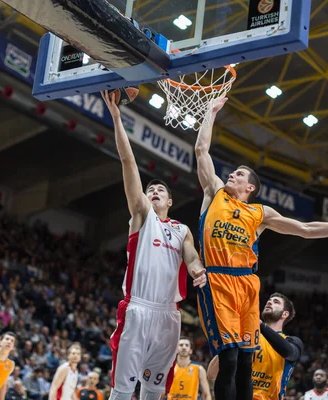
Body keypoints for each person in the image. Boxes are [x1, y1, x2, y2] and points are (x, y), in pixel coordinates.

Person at [193, 97, 328, 400]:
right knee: (227, 358)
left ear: (250, 188)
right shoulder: (214, 193)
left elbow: (306, 230)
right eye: (233, 172)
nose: (232, 174)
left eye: (240, 174)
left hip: (247, 283)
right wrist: (210, 113)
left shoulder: (261, 214)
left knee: (244, 359)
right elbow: (201, 150)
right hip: (218, 280)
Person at [101, 90, 207, 400]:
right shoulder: (142, 216)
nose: (155, 191)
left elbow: (191, 257)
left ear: (171, 201)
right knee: (122, 391)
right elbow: (128, 162)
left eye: (161, 189)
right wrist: (118, 118)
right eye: (151, 190)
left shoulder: (181, 229)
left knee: (154, 391)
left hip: (169, 315)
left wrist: (198, 270)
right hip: (138, 309)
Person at [206, 293, 303, 400]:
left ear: (285, 314)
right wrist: (232, 341)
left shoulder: (291, 341)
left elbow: (288, 352)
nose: (270, 302)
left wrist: (259, 324)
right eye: (269, 301)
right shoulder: (245, 337)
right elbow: (211, 374)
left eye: (276, 302)